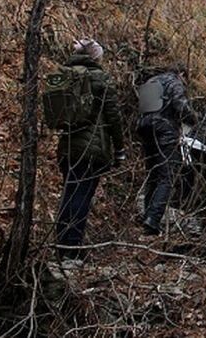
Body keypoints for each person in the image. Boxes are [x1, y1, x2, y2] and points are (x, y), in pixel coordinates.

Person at [51, 40, 125, 260]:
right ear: (95, 57)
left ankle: (62, 246)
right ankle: (72, 250)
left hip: (67, 147)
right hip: (92, 149)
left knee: (69, 193)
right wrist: (119, 149)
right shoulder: (100, 78)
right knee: (81, 196)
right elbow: (114, 118)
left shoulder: (64, 74)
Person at [135, 64, 197, 235]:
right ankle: (153, 220)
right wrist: (193, 120)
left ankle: (148, 216)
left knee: (152, 175)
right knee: (167, 176)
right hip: (165, 131)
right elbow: (182, 107)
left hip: (145, 130)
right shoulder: (174, 82)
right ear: (182, 73)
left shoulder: (151, 81)